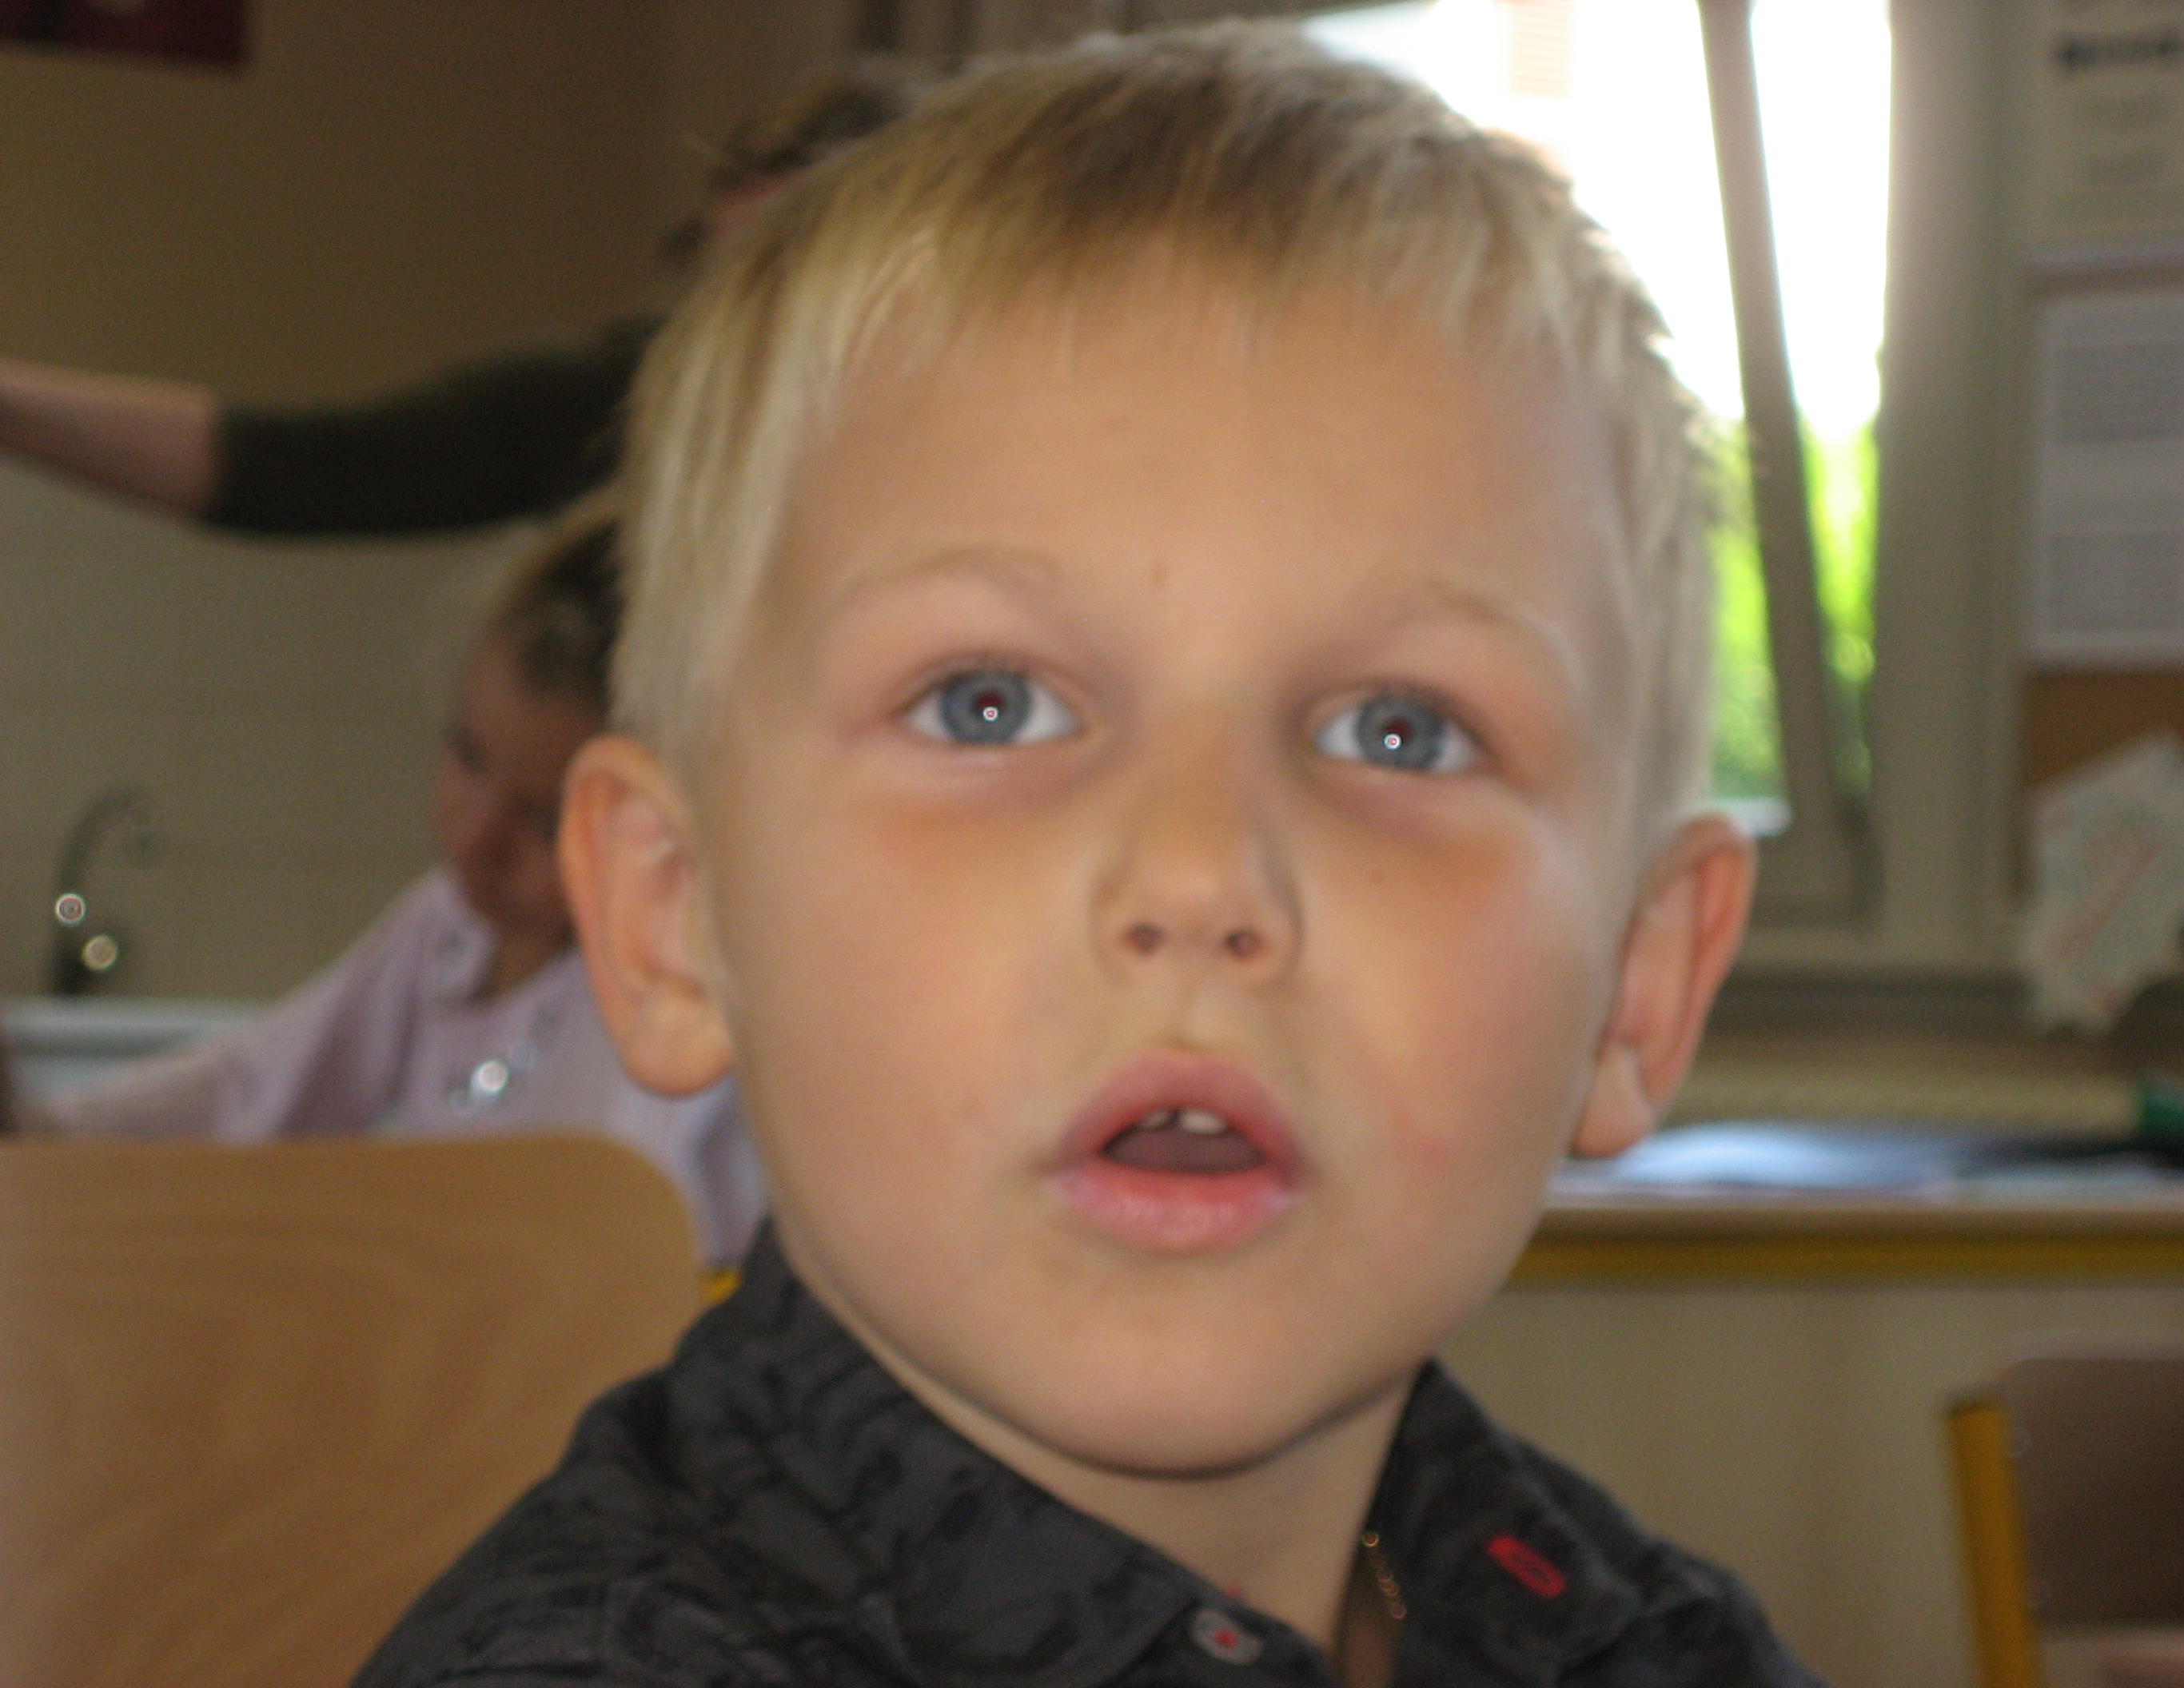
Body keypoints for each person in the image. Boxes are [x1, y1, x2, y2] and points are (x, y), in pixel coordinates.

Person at [354, 23, 1791, 1687]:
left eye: (1399, 731)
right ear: (678, 916)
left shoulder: (1668, 1646)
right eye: (990, 705)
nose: (1199, 877)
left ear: (1637, 979)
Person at [32, 506, 762, 1266]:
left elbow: (666, 1244)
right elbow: (259, 1086)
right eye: (467, 757)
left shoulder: (662, 1000)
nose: (478, 837)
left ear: (656, 831)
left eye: (546, 821)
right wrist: (48, 1135)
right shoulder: (444, 930)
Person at [0, 64, 919, 537]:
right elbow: (297, 466)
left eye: (789, 291)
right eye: (722, 289)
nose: (741, 340)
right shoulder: (623, 399)